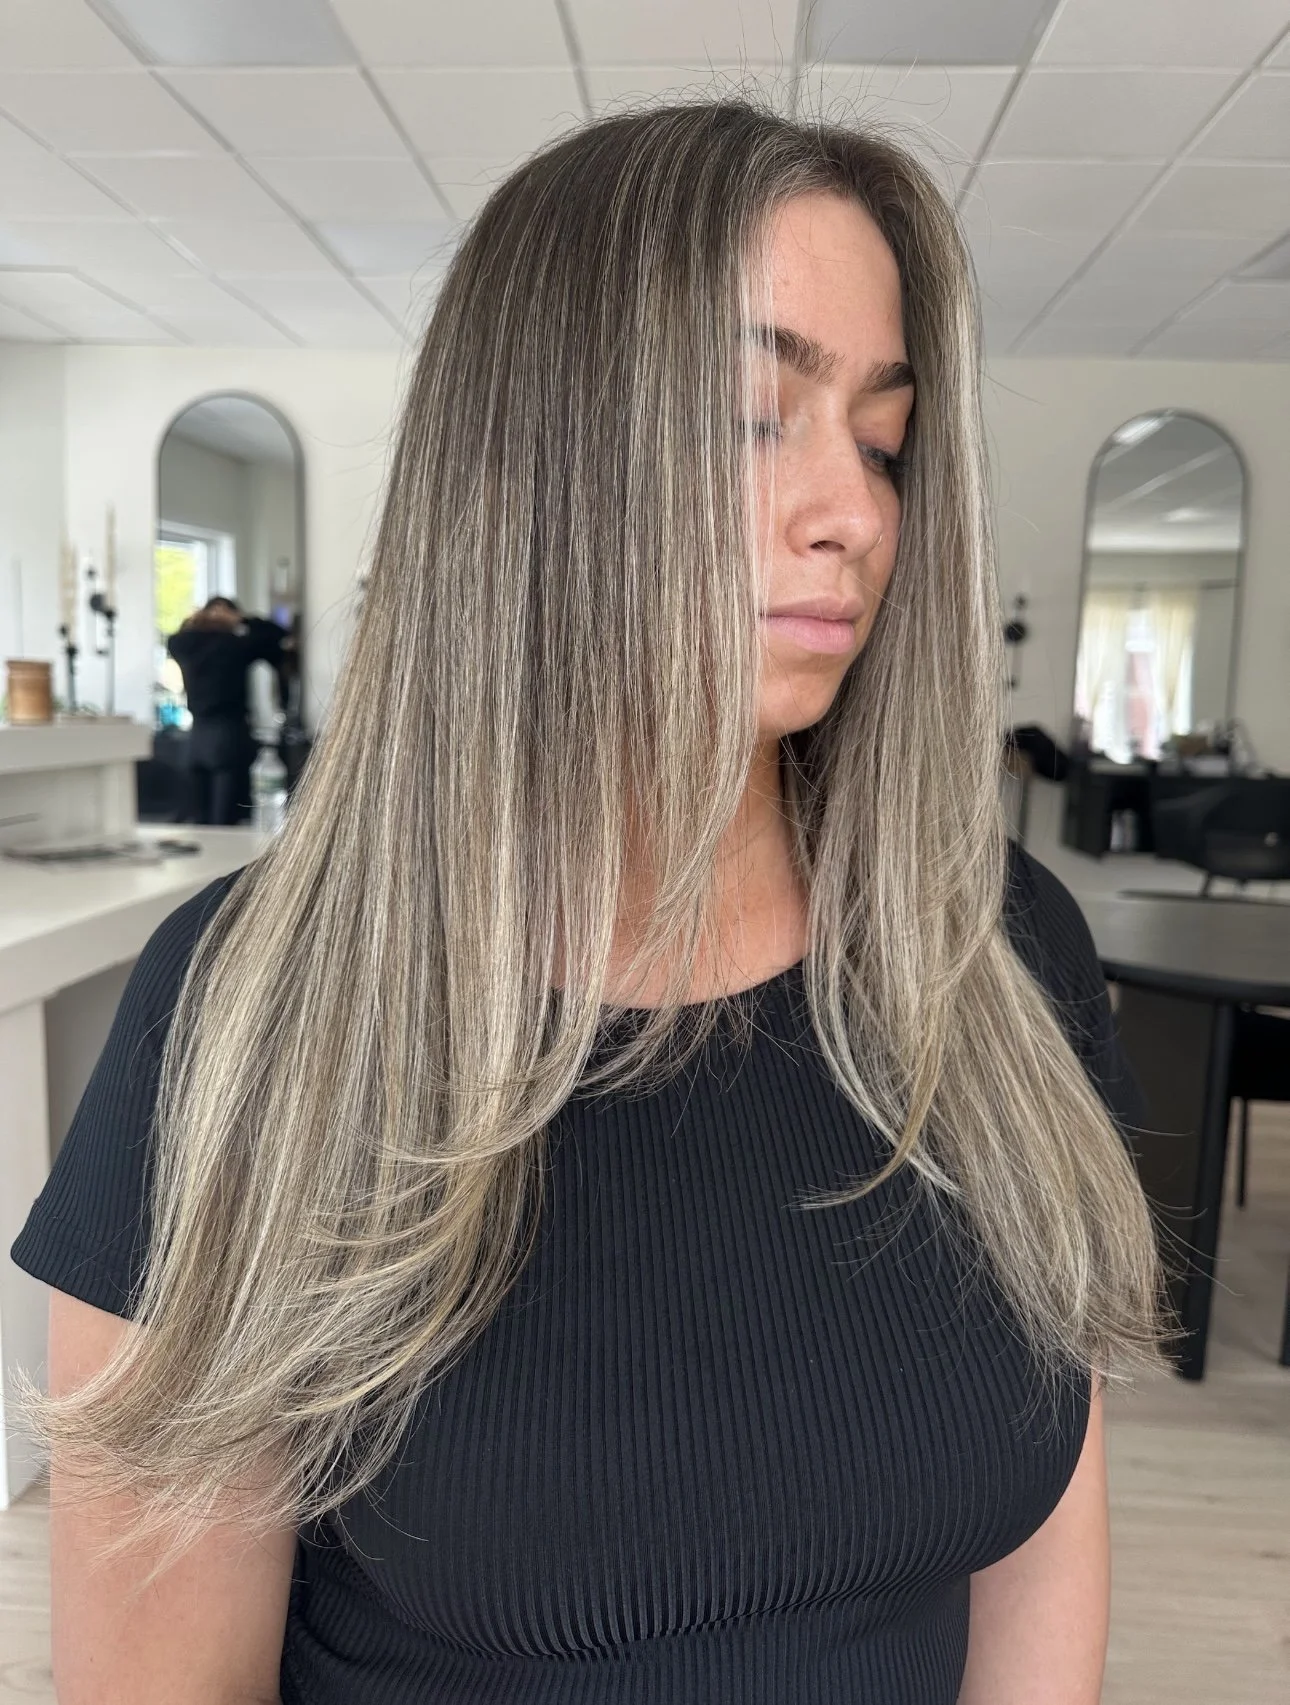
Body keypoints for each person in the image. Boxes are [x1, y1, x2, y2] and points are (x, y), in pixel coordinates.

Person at [12, 101, 1165, 1705]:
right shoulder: (257, 1013)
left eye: (881, 441)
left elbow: (1039, 1547)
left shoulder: (996, 948)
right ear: (530, 463)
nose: (853, 511)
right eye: (757, 417)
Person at [166, 595, 290, 824]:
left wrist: (202, 619)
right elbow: (277, 634)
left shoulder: (184, 645)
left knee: (200, 819)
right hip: (229, 736)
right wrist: (241, 619)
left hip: (196, 739)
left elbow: (175, 637)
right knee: (224, 821)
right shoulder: (235, 646)